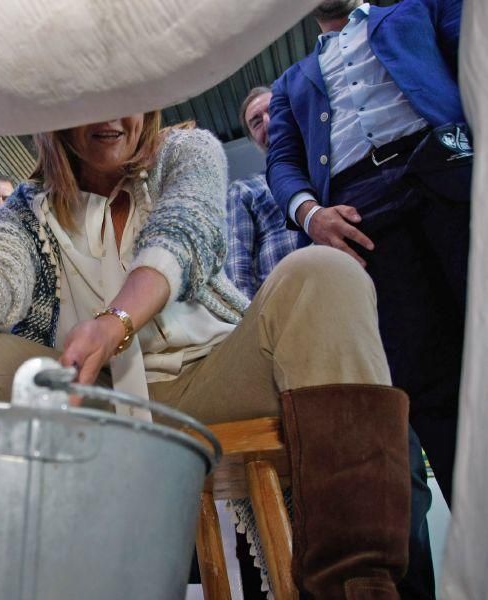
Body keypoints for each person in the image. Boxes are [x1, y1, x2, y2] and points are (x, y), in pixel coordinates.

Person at [0, 111, 412, 597]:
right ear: (57, 115)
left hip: (218, 375)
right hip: (103, 404)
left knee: (325, 272)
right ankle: (14, 573)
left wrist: (115, 320)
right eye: (89, 99)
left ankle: (356, 586)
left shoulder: (186, 151)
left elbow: (183, 234)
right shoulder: (27, 211)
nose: (111, 114)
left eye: (128, 94)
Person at [267, 0, 468, 512]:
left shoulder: (414, 8)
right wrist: (312, 215)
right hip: (363, 217)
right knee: (427, 388)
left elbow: (473, 54)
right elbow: (284, 163)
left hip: (449, 170)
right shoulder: (292, 82)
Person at [241, 82, 437, 598]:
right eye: (254, 122)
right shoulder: (252, 197)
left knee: (401, 485)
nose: (265, 124)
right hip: (291, 350)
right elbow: (240, 282)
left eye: (269, 115)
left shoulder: (344, 183)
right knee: (311, 498)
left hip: (368, 344)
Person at [226, 86, 305, 298]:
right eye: (256, 122)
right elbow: (237, 267)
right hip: (288, 310)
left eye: (274, 111)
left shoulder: (329, 169)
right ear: (253, 140)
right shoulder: (245, 190)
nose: (269, 123)